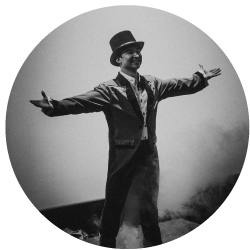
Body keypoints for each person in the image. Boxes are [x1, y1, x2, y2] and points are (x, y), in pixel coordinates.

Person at [30, 30, 221, 248]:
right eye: (130, 52)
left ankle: (152, 242)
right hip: (123, 155)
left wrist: (200, 78)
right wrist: (55, 106)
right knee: (114, 204)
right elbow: (82, 102)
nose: (136, 54)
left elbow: (178, 85)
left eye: (138, 51)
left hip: (148, 154)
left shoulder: (152, 83)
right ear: (119, 59)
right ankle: (107, 241)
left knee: (149, 206)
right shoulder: (109, 89)